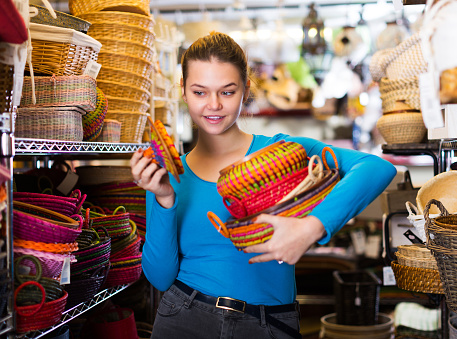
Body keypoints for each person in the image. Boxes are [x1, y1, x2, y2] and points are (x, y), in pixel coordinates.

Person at [130, 31, 396, 339]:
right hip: (183, 318)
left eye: (227, 92)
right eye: (200, 92)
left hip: (267, 325)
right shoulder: (167, 176)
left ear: (245, 88)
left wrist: (312, 228)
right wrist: (163, 197)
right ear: (184, 91)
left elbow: (376, 167)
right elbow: (161, 278)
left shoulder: (282, 153)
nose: (213, 105)